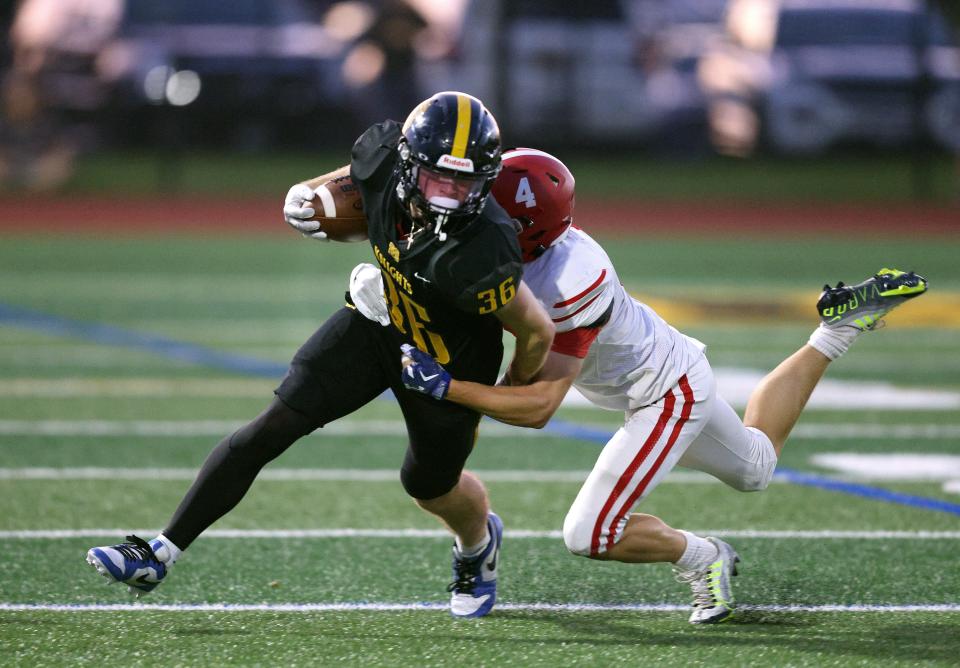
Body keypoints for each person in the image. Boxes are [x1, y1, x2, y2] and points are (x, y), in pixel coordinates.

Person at [380, 148, 929, 624]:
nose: (476, 214)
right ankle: (835, 331)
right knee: (757, 467)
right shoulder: (524, 250)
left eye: (492, 210)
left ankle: (700, 555)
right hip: (659, 368)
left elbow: (539, 405)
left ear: (527, 234)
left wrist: (448, 390)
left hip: (663, 392)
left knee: (589, 533)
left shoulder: (570, 280)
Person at [85, 92, 556, 619]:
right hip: (378, 321)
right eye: (436, 178)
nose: (447, 195)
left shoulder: (484, 247)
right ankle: (159, 552)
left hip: (445, 364)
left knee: (429, 484)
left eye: (464, 183)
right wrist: (308, 191)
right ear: (405, 161)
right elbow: (359, 181)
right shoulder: (383, 154)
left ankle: (477, 545)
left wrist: (509, 386)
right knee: (274, 424)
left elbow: (535, 329)